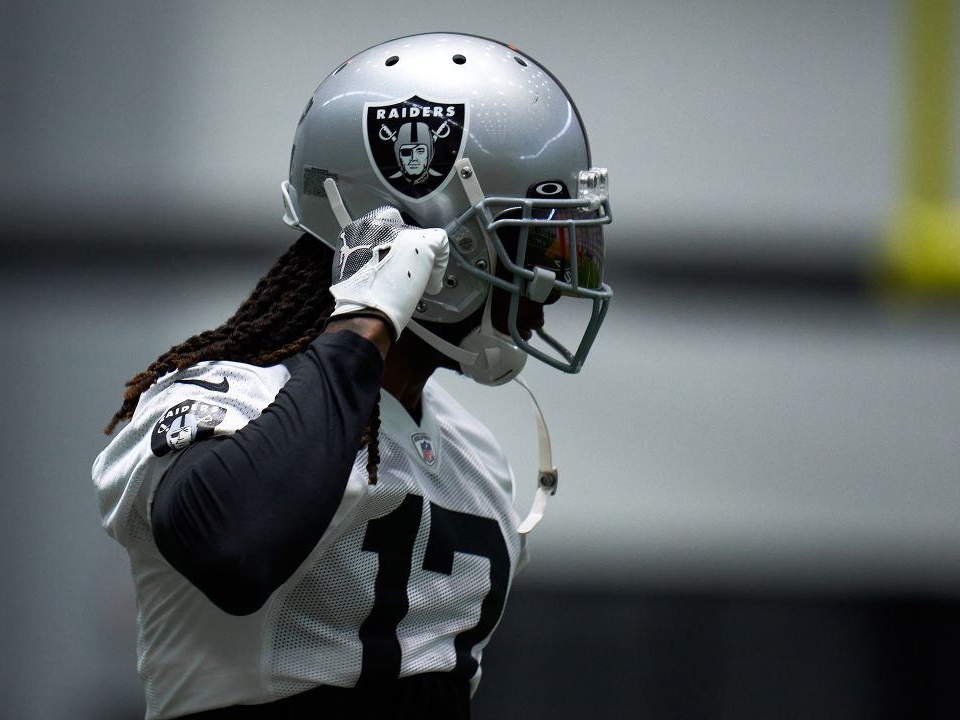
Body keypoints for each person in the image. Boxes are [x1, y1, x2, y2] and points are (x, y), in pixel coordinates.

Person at [93, 32, 613, 719]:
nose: (547, 286)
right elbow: (231, 546)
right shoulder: (220, 397)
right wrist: (364, 320)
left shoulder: (472, 454)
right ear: (431, 244)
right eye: (532, 245)